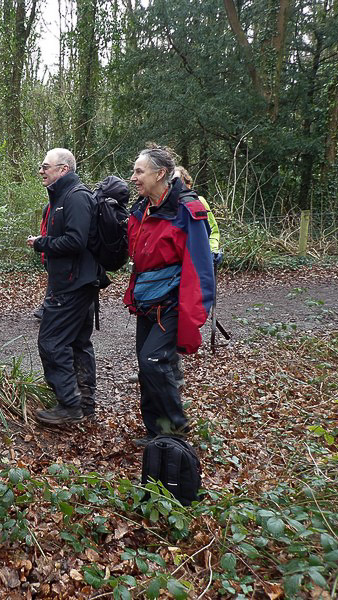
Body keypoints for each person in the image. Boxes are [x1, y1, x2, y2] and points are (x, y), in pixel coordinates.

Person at [125, 146, 214, 446]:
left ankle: (175, 432)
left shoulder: (186, 210)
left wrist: (194, 312)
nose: (134, 177)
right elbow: (136, 257)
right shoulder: (141, 209)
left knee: (154, 362)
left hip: (173, 303)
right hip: (147, 302)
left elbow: (201, 265)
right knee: (145, 365)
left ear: (160, 173)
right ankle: (156, 434)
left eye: (139, 171)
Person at [27, 148, 102, 425]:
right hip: (73, 282)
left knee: (51, 342)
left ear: (63, 170)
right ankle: (83, 402)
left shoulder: (76, 197)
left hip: (73, 285)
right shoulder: (61, 198)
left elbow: (75, 241)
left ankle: (70, 405)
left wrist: (41, 243)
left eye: (46, 166)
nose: (41, 171)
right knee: (77, 343)